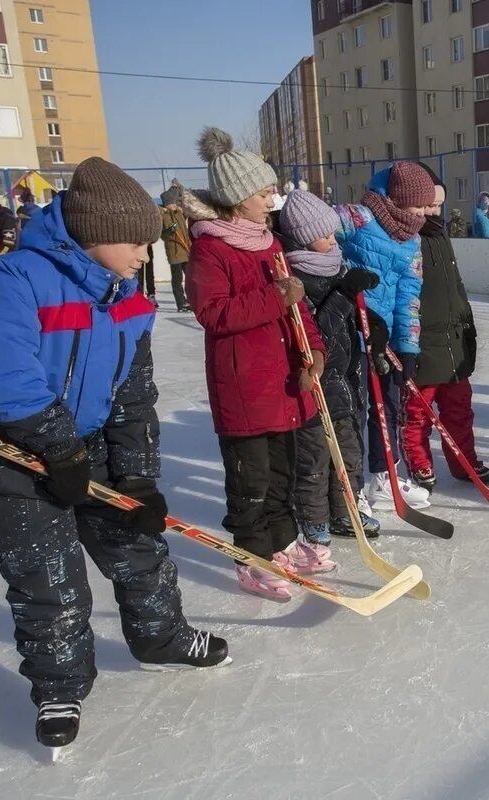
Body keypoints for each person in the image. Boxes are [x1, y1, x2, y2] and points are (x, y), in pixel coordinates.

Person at [0, 157, 229, 751]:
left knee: (139, 544)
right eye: (134, 242)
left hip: (94, 442)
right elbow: (3, 376)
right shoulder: (14, 279)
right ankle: (59, 684)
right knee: (50, 581)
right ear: (93, 233)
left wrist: (138, 476)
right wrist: (57, 447)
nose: (143, 256)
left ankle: (162, 637)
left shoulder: (126, 293)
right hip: (15, 451)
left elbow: (133, 392)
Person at [186, 127, 332, 601]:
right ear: (236, 197)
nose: (273, 195)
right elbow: (214, 314)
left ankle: (282, 542)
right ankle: (253, 556)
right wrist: (274, 296)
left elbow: (297, 309)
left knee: (282, 473)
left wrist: (316, 353)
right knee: (252, 480)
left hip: (286, 380)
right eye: (263, 189)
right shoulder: (211, 247)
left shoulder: (269, 243)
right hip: (244, 387)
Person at [279, 189, 382, 543]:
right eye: (323, 236)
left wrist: (375, 326)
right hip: (317, 382)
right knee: (316, 458)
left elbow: (349, 319)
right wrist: (341, 295)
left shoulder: (337, 264)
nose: (332, 239)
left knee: (351, 453)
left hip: (346, 378)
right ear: (304, 240)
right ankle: (314, 519)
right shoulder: (295, 277)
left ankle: (347, 511)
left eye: (332, 232)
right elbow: (313, 332)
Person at [333, 160, 434, 510]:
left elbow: (409, 294)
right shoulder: (357, 217)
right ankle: (352, 488)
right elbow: (312, 232)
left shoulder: (412, 238)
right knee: (353, 413)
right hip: (348, 332)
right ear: (398, 198)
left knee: (386, 409)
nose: (423, 213)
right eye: (418, 204)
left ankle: (383, 477)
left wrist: (407, 347)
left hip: (384, 338)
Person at [400, 167, 489, 493]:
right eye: (429, 205)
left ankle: (464, 460)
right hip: (422, 342)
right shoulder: (405, 238)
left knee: (459, 409)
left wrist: (466, 324)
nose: (434, 212)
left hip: (452, 341)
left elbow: (455, 286)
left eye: (439, 205)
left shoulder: (439, 234)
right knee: (418, 413)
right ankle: (420, 463)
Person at [159, 187, 193, 311]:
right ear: (167, 203)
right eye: (172, 203)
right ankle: (181, 303)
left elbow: (183, 196)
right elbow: (162, 235)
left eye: (175, 202)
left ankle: (191, 300)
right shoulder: (162, 215)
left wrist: (178, 187)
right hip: (174, 252)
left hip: (185, 250)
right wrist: (169, 231)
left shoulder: (179, 214)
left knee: (190, 277)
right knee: (177, 279)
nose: (175, 205)